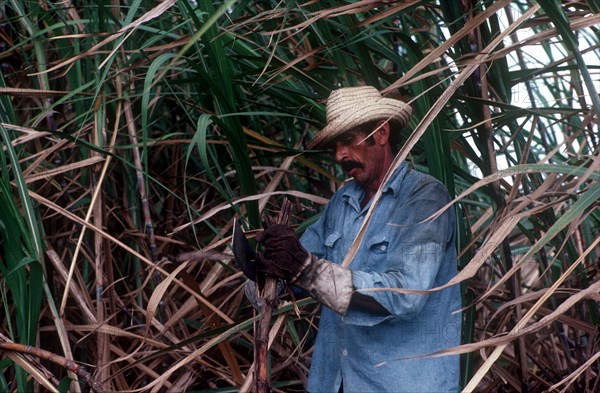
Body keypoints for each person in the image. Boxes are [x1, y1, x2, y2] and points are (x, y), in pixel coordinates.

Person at [246, 86, 461, 392]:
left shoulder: (424, 199)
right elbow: (296, 270)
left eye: (349, 140)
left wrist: (305, 268)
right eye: (336, 144)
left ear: (382, 134)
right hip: (334, 382)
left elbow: (405, 295)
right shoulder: (343, 201)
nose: (339, 155)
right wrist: (265, 271)